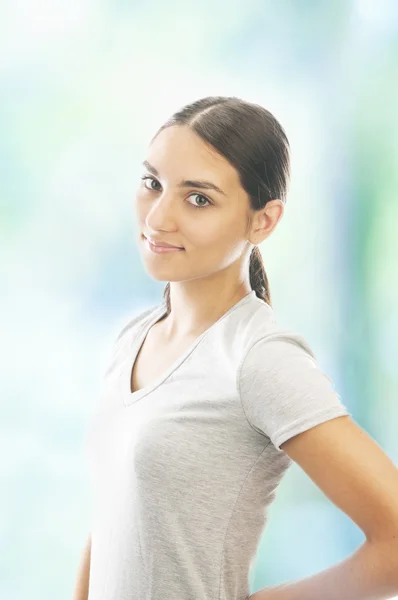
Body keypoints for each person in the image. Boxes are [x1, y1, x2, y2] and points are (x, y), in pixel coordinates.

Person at [73, 96, 398, 600]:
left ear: (263, 221)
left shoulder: (259, 359)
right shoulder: (133, 337)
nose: (158, 218)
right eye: (153, 184)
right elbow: (111, 521)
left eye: (198, 198)